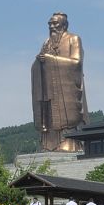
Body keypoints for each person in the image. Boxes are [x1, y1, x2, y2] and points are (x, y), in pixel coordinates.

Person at [31, 12, 89, 152]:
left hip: (65, 88)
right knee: (49, 114)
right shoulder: (47, 42)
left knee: (65, 119)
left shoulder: (73, 39)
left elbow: (76, 63)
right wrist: (39, 61)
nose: (52, 26)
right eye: (50, 24)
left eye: (55, 23)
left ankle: (67, 142)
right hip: (48, 88)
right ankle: (48, 143)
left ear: (64, 25)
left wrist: (51, 60)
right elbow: (39, 63)